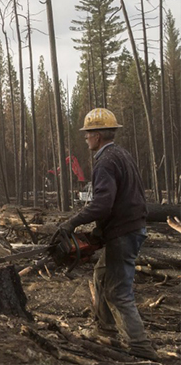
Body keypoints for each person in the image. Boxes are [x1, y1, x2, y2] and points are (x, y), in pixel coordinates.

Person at [58, 108, 159, 361]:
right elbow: (122, 199)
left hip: (124, 233)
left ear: (98, 136)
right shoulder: (121, 154)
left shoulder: (105, 161)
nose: (85, 139)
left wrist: (72, 222)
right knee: (101, 274)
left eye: (87, 134)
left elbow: (103, 204)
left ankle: (140, 346)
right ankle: (106, 329)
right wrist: (100, 231)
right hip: (128, 228)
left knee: (118, 291)